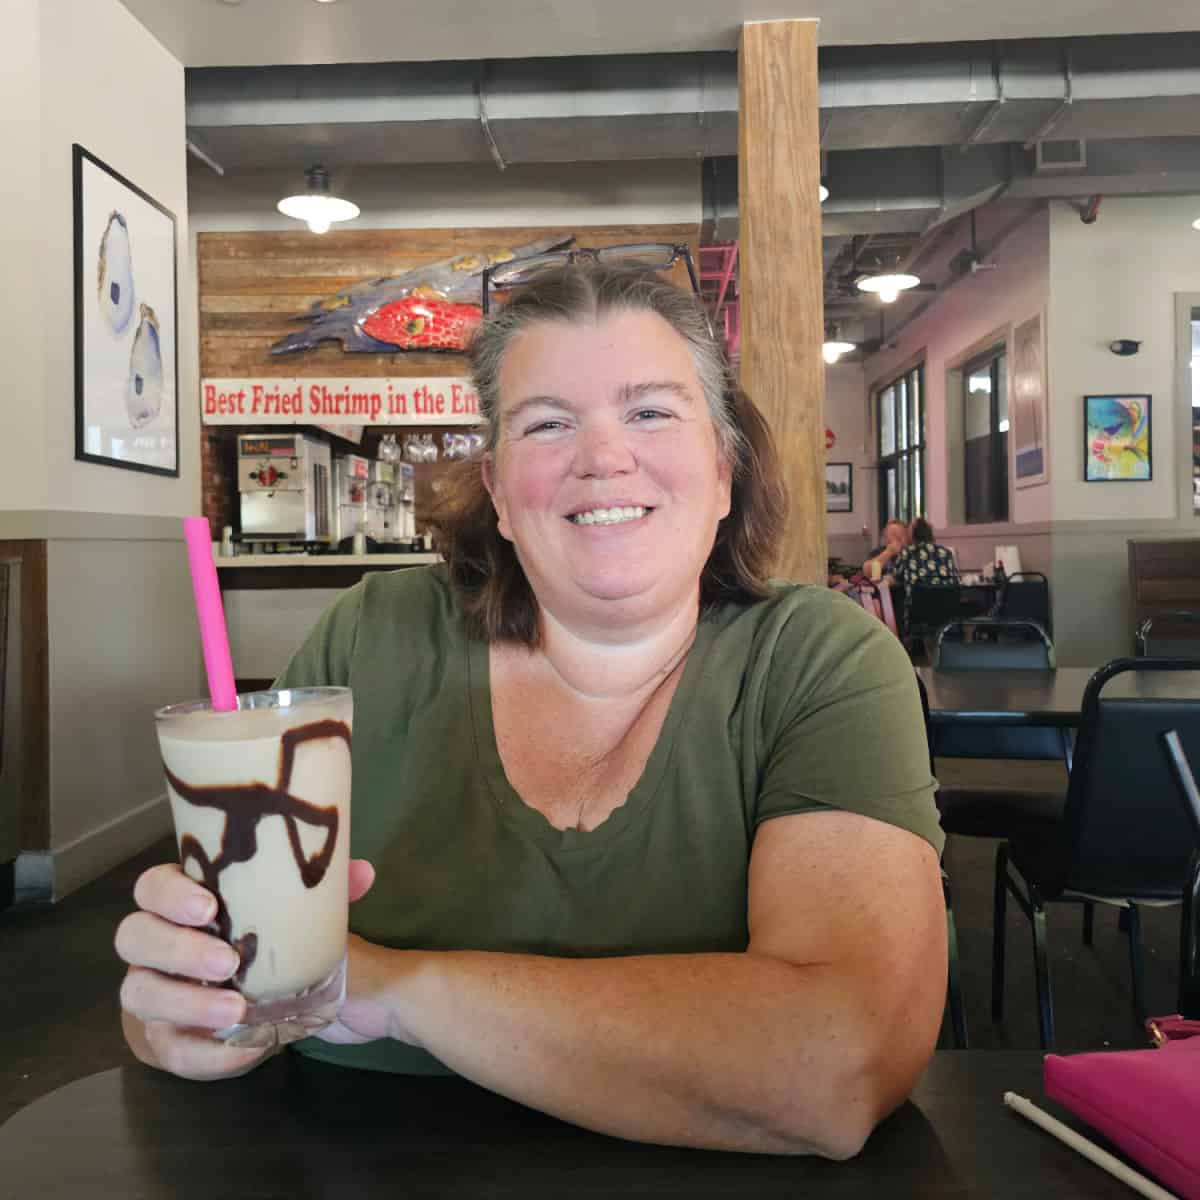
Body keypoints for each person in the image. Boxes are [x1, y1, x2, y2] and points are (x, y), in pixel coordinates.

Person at [116, 265, 947, 1159]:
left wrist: (393, 990)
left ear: (723, 473)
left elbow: (837, 1064)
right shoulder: (372, 636)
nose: (601, 457)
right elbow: (227, 962)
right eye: (547, 423)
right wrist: (185, 1009)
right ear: (501, 494)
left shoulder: (820, 662)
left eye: (651, 413)